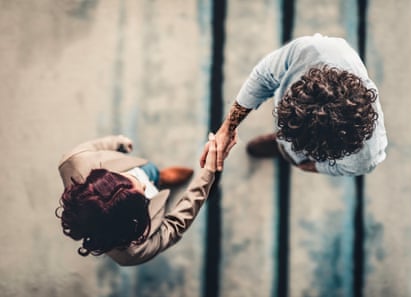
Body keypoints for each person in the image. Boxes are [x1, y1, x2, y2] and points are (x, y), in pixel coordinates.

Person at [200, 33, 387, 176]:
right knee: (289, 145)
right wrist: (227, 128)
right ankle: (282, 146)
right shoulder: (310, 50)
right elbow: (263, 77)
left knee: (293, 155)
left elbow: (341, 168)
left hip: (316, 152)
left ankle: (284, 150)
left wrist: (310, 166)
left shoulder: (364, 159)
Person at [56, 133, 231, 266]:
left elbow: (93, 147)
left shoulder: (74, 161)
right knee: (150, 180)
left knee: (148, 172)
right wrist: (208, 173)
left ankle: (161, 177)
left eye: (125, 178)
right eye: (142, 195)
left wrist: (117, 142)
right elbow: (175, 224)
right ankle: (160, 179)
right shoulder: (133, 252)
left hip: (132, 178)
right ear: (132, 222)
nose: (144, 185)